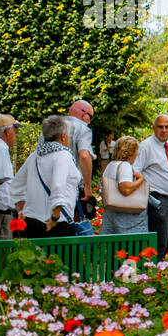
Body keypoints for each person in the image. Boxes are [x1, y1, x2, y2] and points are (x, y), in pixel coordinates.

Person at [13, 115, 83, 239]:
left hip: (31, 221)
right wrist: (55, 216)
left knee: (35, 258)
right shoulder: (63, 155)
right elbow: (58, 185)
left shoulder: (35, 155)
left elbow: (16, 184)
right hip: (56, 223)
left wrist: (21, 210)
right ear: (63, 136)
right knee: (56, 258)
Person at [134, 114, 168, 257]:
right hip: (156, 200)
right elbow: (135, 171)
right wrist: (147, 192)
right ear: (153, 128)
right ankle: (153, 275)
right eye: (160, 127)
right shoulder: (146, 146)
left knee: (167, 243)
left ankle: (160, 272)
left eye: (167, 127)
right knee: (158, 245)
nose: (164, 130)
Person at [100, 137, 149, 236]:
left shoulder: (110, 165)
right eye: (136, 151)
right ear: (130, 152)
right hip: (125, 219)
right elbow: (125, 189)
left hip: (111, 216)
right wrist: (140, 180)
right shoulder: (125, 166)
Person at [65, 99, 96, 236]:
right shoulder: (83, 129)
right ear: (85, 116)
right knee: (74, 227)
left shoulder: (51, 126)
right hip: (71, 187)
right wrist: (88, 187)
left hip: (48, 188)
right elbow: (84, 156)